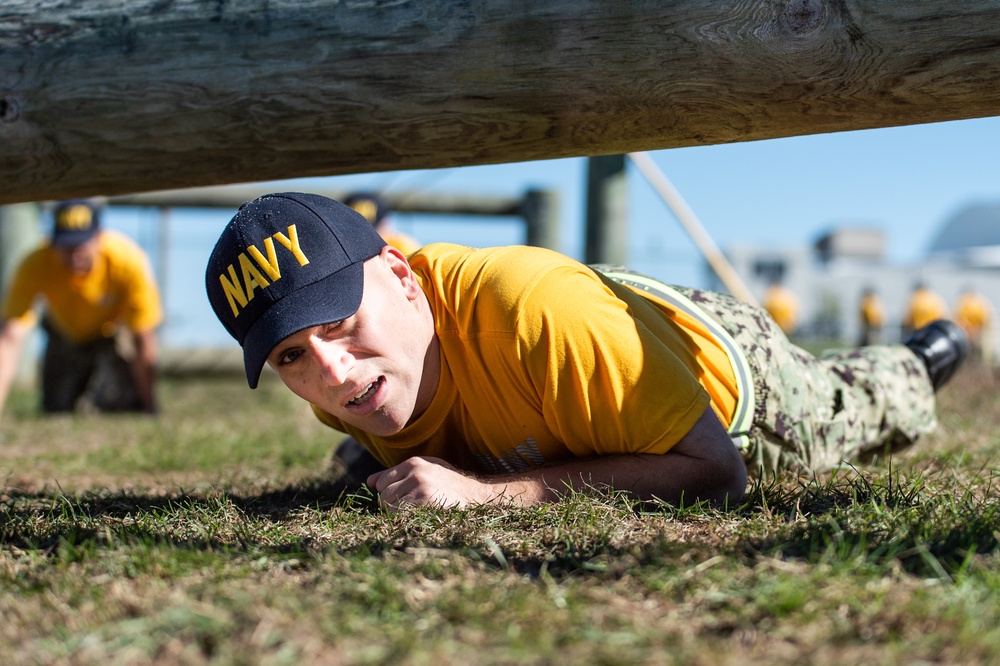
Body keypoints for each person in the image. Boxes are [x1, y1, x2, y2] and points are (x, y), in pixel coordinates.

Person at [204, 192, 968, 510]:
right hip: (581, 361)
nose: (331, 373)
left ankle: (920, 360)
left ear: (403, 277)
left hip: (733, 379)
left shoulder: (527, 311)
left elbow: (718, 474)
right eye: (290, 358)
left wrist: (486, 496)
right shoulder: (349, 388)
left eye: (338, 322)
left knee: (855, 407)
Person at [0, 200, 162, 417]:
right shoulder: (34, 264)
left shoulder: (128, 261)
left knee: (119, 404)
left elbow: (143, 336)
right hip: (63, 336)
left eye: (81, 245)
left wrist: (150, 405)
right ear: (53, 242)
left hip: (111, 338)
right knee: (55, 408)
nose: (75, 256)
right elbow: (11, 336)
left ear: (98, 237)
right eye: (67, 247)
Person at [343, 192, 421, 256]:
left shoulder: (402, 247)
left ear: (386, 224)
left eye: (372, 232)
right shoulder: (341, 248)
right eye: (352, 231)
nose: (362, 237)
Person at [954, 287, 993, 363]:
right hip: (977, 333)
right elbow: (986, 320)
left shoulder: (963, 302)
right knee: (979, 355)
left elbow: (958, 319)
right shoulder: (981, 302)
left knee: (968, 355)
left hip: (967, 333)